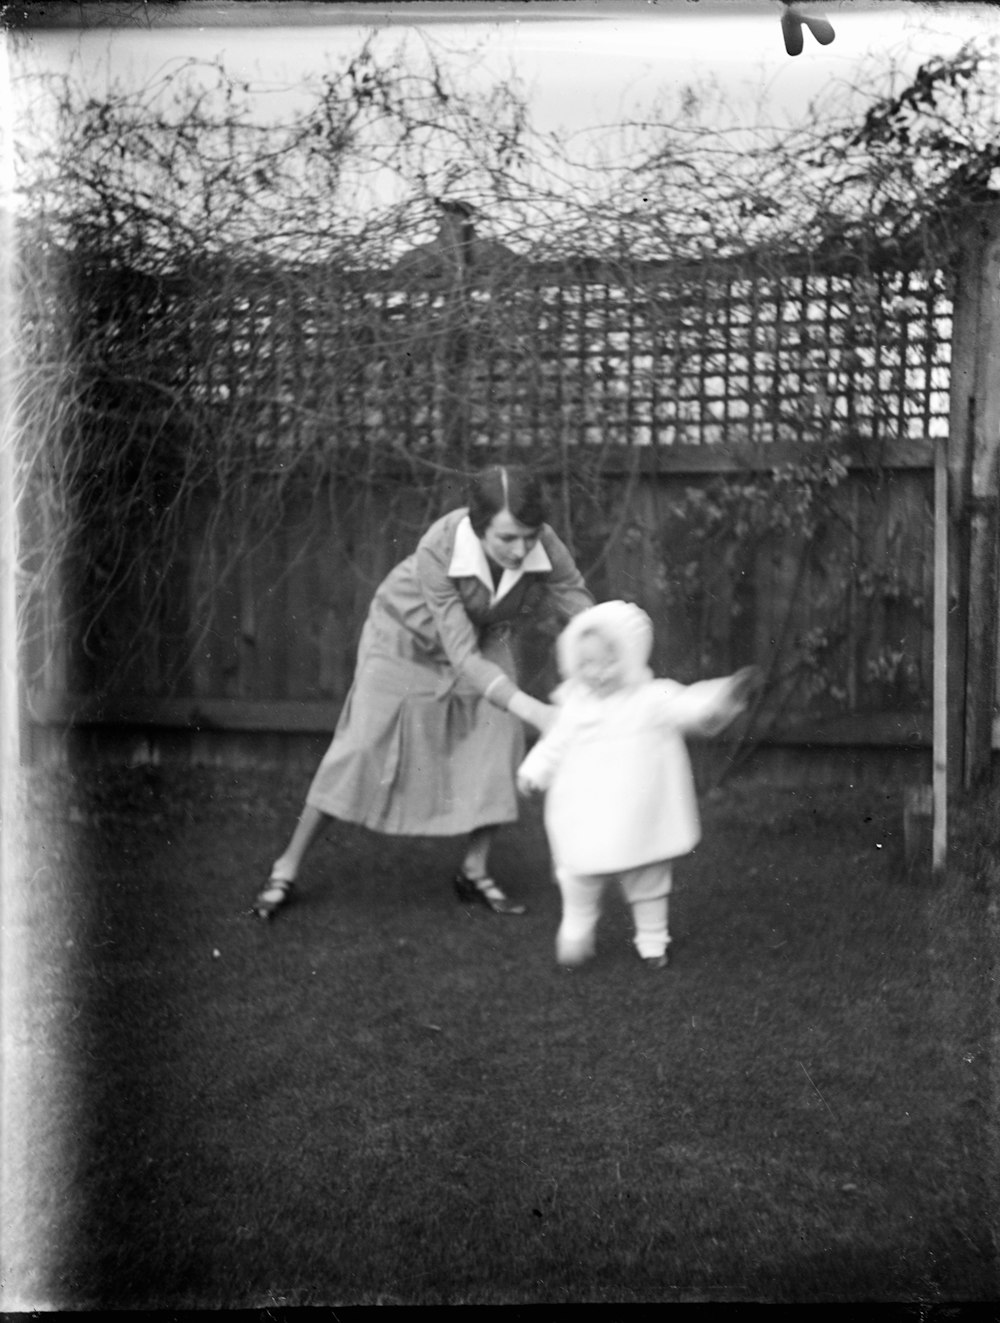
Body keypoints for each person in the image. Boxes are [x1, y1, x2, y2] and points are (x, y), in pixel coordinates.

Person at [252, 464, 594, 920]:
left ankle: (474, 870)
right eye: (507, 539)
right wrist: (535, 710)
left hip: (484, 635)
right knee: (360, 746)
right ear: (477, 528)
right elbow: (462, 655)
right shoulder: (439, 545)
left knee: (498, 739)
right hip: (404, 635)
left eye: (529, 537)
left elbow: (579, 602)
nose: (521, 549)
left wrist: (619, 644)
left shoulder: (543, 544)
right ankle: (286, 866)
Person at [516, 600, 758, 969]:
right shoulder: (574, 707)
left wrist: (720, 700)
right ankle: (577, 927)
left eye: (609, 661)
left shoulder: (650, 698)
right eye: (586, 664)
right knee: (579, 871)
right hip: (585, 811)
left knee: (647, 877)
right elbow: (553, 744)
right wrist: (533, 772)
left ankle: (652, 940)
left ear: (630, 657)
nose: (597, 673)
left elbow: (689, 704)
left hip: (637, 814)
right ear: (572, 664)